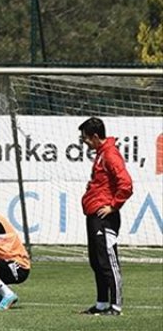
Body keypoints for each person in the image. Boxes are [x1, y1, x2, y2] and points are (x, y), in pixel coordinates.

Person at [77, 117, 134, 316]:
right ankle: (101, 303)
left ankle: (116, 306)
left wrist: (113, 206)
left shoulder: (110, 154)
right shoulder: (101, 154)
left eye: (85, 138)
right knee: (96, 260)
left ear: (94, 136)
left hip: (105, 217)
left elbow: (126, 184)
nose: (83, 142)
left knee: (108, 261)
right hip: (94, 215)